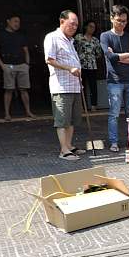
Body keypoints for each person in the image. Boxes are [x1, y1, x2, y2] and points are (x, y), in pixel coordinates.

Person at [44, 10, 85, 161]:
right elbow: (49, 59)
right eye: (71, 23)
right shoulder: (52, 37)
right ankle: (64, 150)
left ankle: (69, 145)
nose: (74, 27)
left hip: (74, 86)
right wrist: (69, 68)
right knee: (62, 120)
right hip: (61, 87)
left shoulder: (70, 40)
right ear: (62, 21)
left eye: (76, 25)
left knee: (73, 119)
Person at [100, 5, 129, 152]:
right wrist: (126, 55)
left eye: (124, 21)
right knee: (114, 114)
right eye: (119, 20)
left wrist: (118, 57)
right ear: (111, 19)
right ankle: (114, 142)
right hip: (114, 81)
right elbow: (109, 56)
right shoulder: (105, 36)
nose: (122, 24)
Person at [0, 14, 35, 121]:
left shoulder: (21, 36)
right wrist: (2, 65)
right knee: (9, 89)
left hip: (22, 65)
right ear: (8, 21)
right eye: (15, 21)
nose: (17, 24)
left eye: (18, 22)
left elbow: (26, 51)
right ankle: (7, 113)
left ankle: (28, 111)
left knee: (24, 89)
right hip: (8, 65)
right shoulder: (0, 35)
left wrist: (27, 64)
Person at [74, 20, 102, 111]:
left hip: (92, 66)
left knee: (93, 86)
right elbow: (74, 49)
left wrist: (92, 57)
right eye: (90, 26)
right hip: (80, 65)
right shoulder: (79, 37)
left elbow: (98, 53)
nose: (92, 29)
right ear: (86, 27)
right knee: (82, 86)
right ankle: (83, 106)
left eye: (93, 27)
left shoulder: (95, 40)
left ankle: (94, 105)